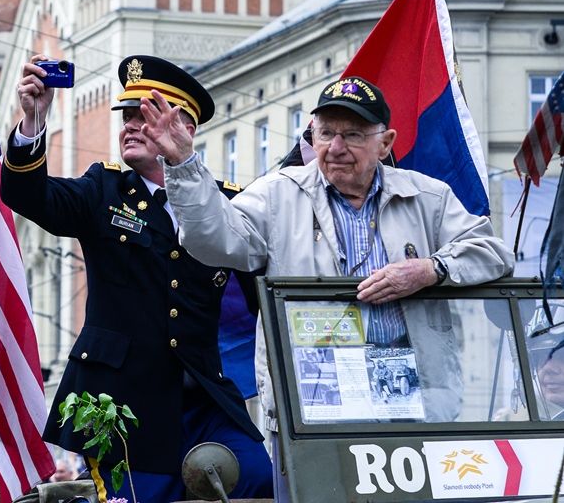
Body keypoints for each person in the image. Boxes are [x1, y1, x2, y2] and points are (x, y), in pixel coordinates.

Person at [140, 74, 514, 499]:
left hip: (414, 405)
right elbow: (213, 240)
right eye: (325, 133)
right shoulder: (277, 195)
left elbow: (493, 252)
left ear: (385, 143)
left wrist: (431, 269)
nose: (335, 147)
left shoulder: (427, 197)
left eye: (352, 135)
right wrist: (184, 166)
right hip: (313, 409)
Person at [1, 54, 272, 503]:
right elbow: (28, 195)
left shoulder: (224, 204)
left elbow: (269, 275)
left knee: (262, 479)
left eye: (144, 117)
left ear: (184, 128)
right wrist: (33, 121)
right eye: (125, 117)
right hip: (121, 404)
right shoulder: (104, 190)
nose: (129, 126)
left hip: (203, 400)